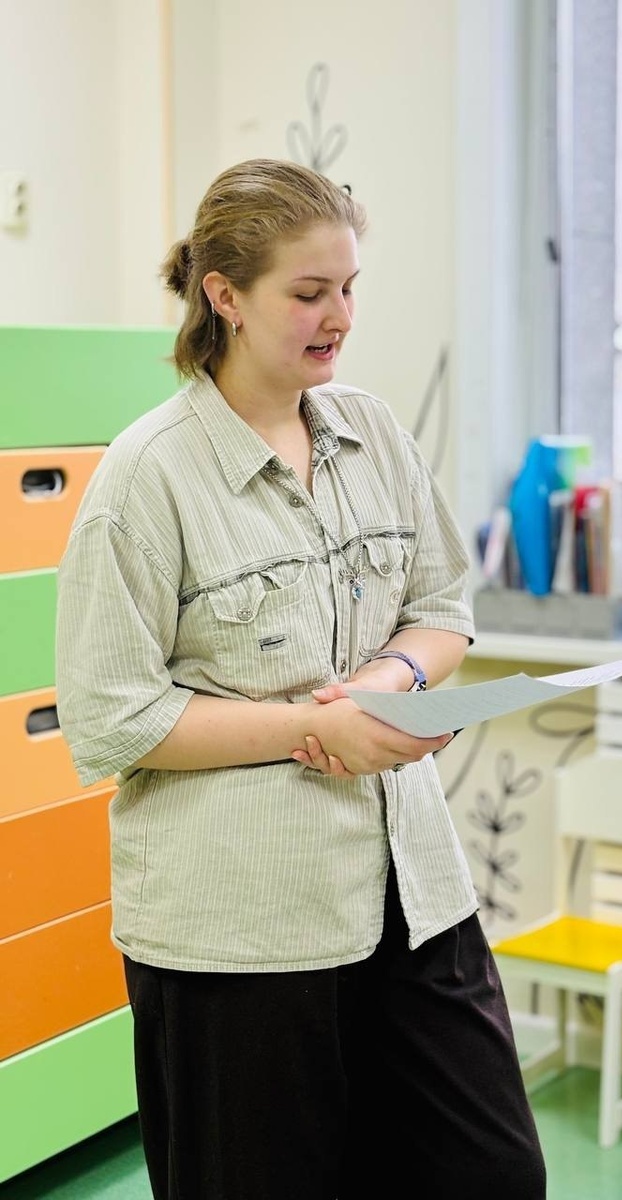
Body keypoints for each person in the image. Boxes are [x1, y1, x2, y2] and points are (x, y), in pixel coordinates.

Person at [55, 158, 546, 1200]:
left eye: (350, 287)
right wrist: (313, 728)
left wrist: (393, 677)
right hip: (240, 930)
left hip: (412, 893)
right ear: (225, 296)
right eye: (311, 292)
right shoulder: (148, 477)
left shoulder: (373, 432)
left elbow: (443, 607)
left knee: (495, 1175)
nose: (342, 317)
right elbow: (112, 719)